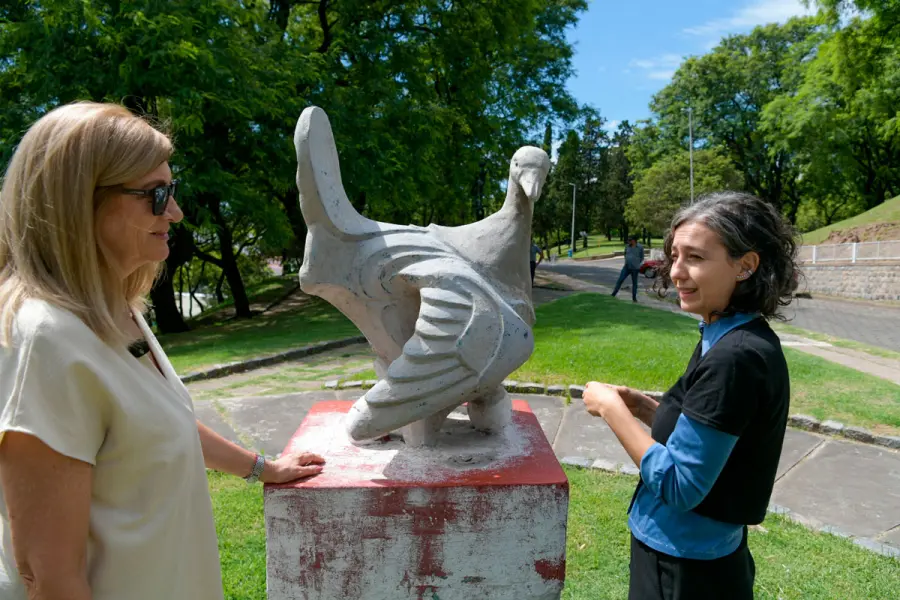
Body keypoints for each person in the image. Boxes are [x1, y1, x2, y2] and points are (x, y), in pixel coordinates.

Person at [0, 102, 326, 600]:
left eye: (171, 191)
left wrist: (263, 468)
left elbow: (158, 422)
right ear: (79, 202)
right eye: (155, 195)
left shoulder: (116, 312)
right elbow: (49, 579)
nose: (174, 212)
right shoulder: (46, 340)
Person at [583, 192, 798, 600]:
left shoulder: (735, 357)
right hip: (694, 559)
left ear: (745, 266)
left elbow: (680, 485)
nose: (676, 272)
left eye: (695, 258)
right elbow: (712, 433)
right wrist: (646, 408)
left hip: (684, 567)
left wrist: (612, 411)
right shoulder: (729, 334)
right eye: (674, 255)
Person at [612, 235, 645, 302]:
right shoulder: (627, 246)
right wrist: (626, 261)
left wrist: (637, 264)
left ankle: (634, 298)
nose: (628, 241)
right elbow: (625, 254)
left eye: (630, 240)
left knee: (634, 283)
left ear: (634, 240)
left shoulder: (640, 247)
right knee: (620, 280)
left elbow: (642, 257)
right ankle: (613, 294)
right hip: (627, 267)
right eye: (628, 240)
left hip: (635, 268)